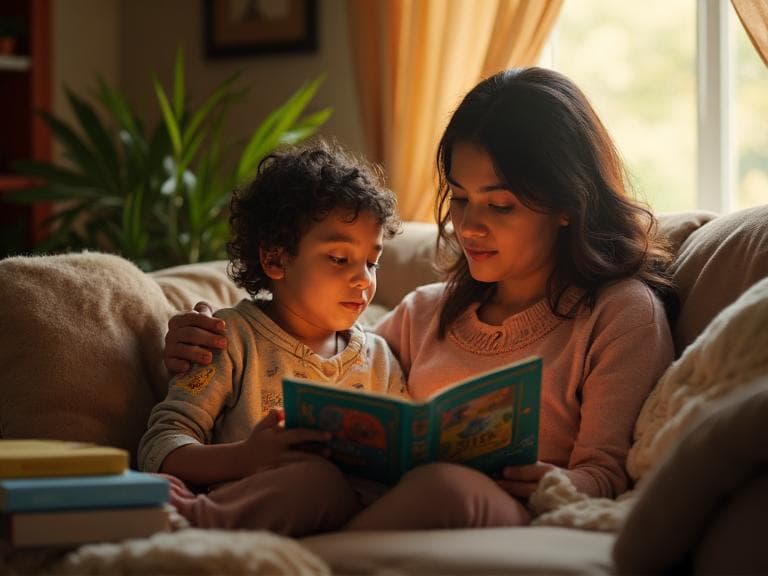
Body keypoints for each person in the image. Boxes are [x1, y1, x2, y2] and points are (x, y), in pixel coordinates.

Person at [162, 67, 676, 530]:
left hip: (507, 513)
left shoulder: (619, 313)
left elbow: (606, 472)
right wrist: (201, 334)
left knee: (446, 487)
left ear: (568, 202)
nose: (469, 226)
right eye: (461, 198)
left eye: (500, 205)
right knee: (326, 481)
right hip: (360, 510)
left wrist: (555, 483)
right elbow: (313, 338)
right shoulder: (424, 312)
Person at [138, 139, 406, 536]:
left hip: (356, 522)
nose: (364, 280)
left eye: (372, 262)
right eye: (339, 258)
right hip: (260, 505)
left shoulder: (379, 357)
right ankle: (189, 525)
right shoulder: (228, 339)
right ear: (275, 259)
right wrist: (246, 457)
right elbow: (159, 444)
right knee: (316, 481)